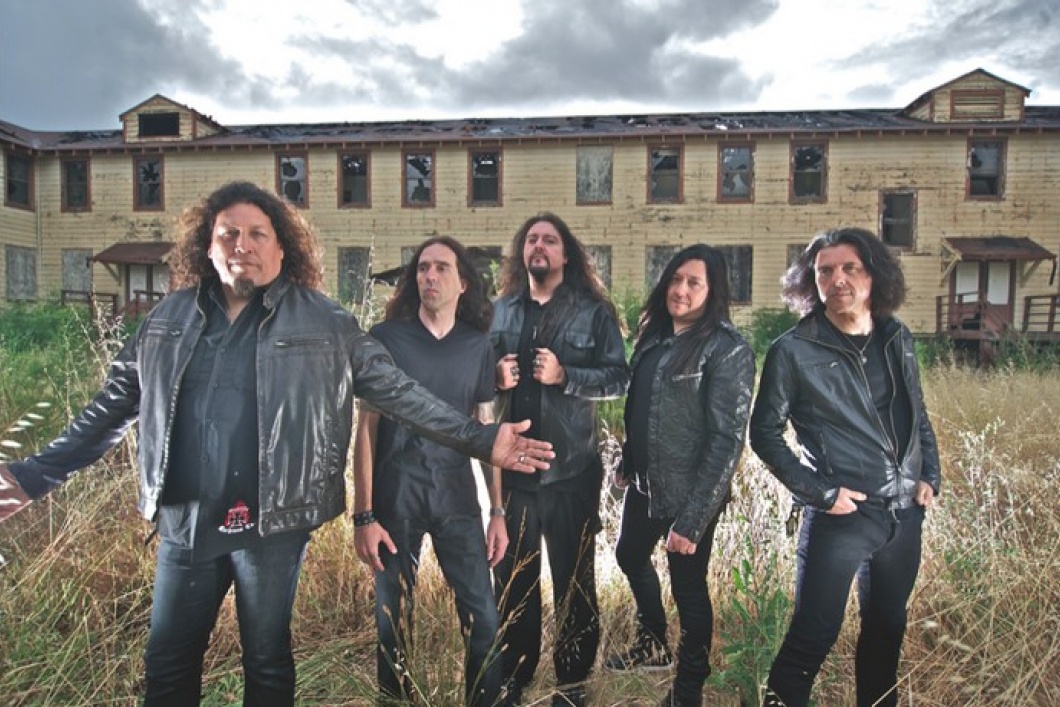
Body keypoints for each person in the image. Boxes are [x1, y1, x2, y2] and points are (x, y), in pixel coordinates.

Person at [0, 181, 552, 707]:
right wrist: (31, 475)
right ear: (207, 247)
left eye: (257, 233)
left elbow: (399, 394)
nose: (242, 244)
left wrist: (480, 439)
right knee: (167, 663)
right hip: (185, 521)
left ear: (283, 250)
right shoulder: (167, 321)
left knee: (265, 661)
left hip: (272, 524)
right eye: (228, 233)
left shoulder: (326, 324)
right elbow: (109, 409)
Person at [749, 227, 941, 707]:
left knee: (886, 632)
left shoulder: (897, 336)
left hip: (903, 515)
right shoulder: (792, 351)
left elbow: (916, 413)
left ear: (873, 275)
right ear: (811, 282)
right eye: (824, 271)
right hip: (843, 515)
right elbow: (764, 434)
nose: (837, 279)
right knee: (812, 636)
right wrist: (820, 493)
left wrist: (930, 475)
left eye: (849, 268)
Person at [352, 236, 507, 706]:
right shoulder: (386, 339)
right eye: (422, 268)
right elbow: (366, 430)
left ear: (463, 283)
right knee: (392, 625)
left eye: (441, 268)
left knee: (483, 619)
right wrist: (363, 515)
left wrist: (497, 511)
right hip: (395, 499)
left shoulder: (477, 347)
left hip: (457, 499)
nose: (429, 276)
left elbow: (486, 432)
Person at [491, 213, 630, 707]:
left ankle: (571, 684)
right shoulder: (500, 311)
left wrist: (565, 376)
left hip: (571, 473)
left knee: (575, 582)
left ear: (566, 254)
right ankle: (514, 676)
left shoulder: (593, 313)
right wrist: (494, 377)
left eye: (549, 240)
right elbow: (476, 377)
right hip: (514, 475)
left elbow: (619, 378)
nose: (539, 246)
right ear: (522, 251)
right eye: (531, 239)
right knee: (513, 582)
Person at [607, 245, 755, 707]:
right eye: (676, 279)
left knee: (688, 589)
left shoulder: (726, 349)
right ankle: (652, 644)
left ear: (713, 291)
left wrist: (692, 519)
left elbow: (727, 440)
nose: (681, 289)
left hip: (691, 493)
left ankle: (688, 689)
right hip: (647, 484)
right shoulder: (653, 337)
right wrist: (629, 459)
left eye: (694, 282)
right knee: (629, 554)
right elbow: (644, 406)